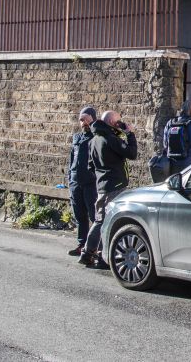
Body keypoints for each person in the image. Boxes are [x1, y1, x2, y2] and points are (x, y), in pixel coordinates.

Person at [81, 110, 138, 269]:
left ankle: (87, 253)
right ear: (113, 123)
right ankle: (102, 257)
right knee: (110, 221)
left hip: (101, 186)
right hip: (116, 186)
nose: (121, 124)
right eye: (119, 122)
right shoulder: (111, 139)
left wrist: (102, 177)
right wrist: (130, 134)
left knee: (99, 220)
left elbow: (90, 166)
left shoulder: (93, 140)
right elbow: (132, 153)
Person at [66, 106, 98, 257]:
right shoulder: (76, 137)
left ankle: (96, 248)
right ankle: (81, 244)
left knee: (94, 216)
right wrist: (69, 177)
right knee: (79, 215)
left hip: (90, 182)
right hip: (75, 181)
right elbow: (72, 158)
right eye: (81, 120)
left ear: (92, 118)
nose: (83, 122)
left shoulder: (96, 136)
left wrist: (93, 125)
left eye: (86, 119)